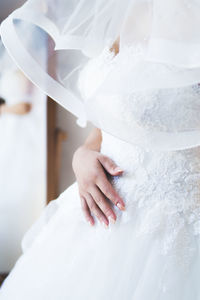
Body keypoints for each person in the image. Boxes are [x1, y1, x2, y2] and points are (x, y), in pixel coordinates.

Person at [0, 1, 200, 299]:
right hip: (94, 225)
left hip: (168, 232)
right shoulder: (128, 10)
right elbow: (109, 123)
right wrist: (83, 155)